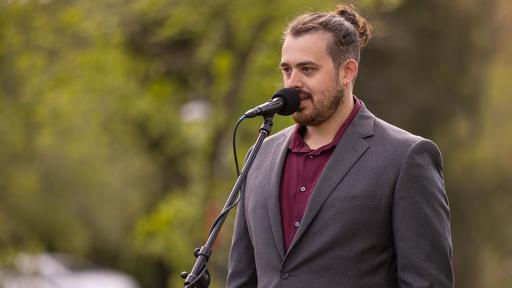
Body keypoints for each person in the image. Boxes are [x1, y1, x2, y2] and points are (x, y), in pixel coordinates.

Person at [227, 4, 453, 288]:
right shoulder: (259, 155)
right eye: (287, 69)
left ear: (347, 72)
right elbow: (242, 278)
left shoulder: (406, 157)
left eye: (307, 69)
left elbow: (427, 283)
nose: (292, 82)